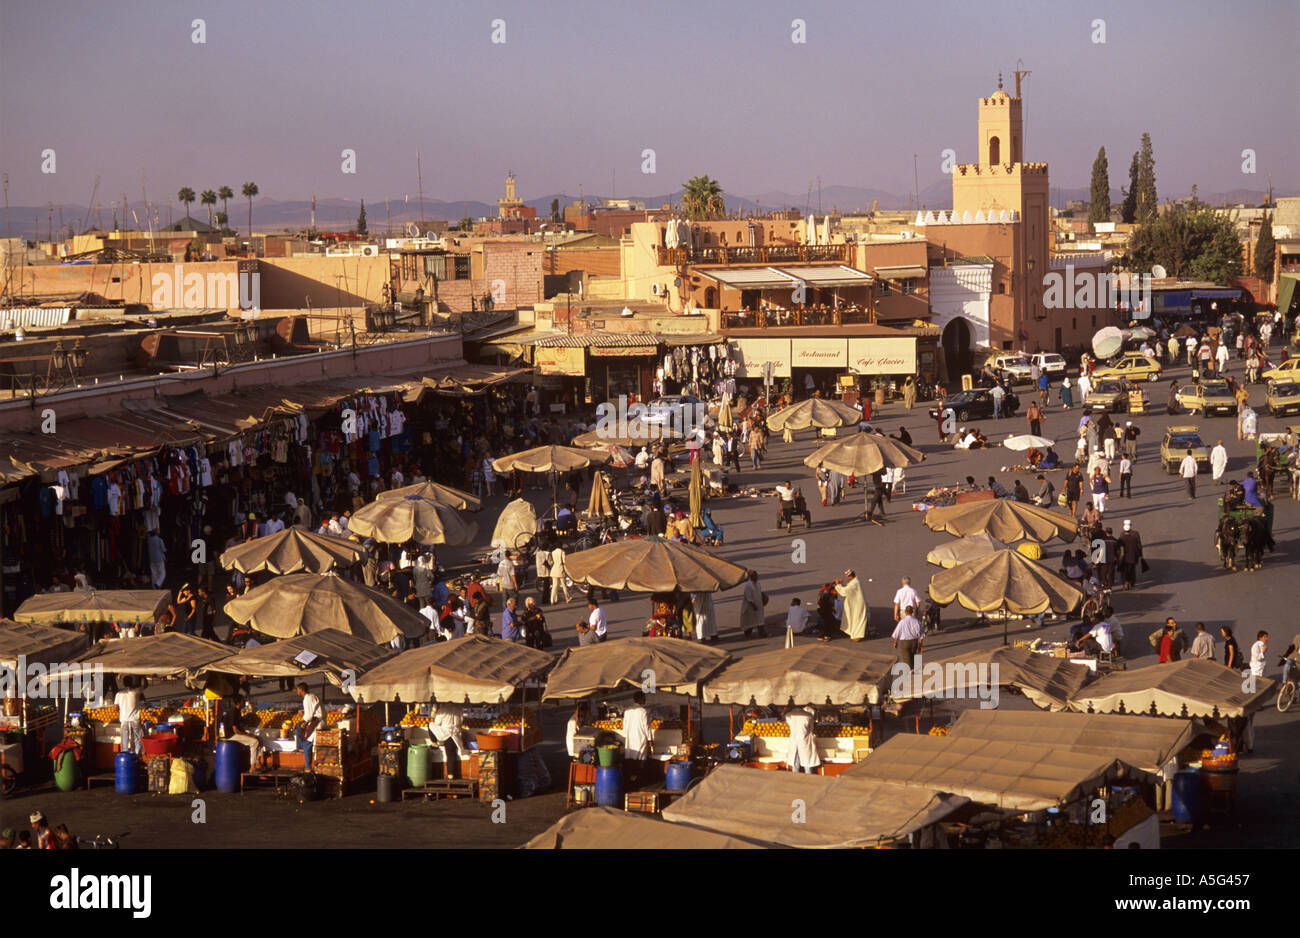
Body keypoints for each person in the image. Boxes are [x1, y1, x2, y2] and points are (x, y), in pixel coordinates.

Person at [221, 692, 264, 773]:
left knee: (259, 739)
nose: (244, 702)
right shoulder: (233, 712)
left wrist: (250, 734)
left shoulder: (238, 711)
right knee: (254, 742)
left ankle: (257, 762)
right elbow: (235, 731)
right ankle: (252, 766)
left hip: (236, 733)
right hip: (231, 735)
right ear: (240, 702)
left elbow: (240, 727)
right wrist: (248, 735)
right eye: (243, 700)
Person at [429, 701, 466, 773]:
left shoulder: (443, 710)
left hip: (446, 734)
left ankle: (434, 743)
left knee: (430, 725)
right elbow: (461, 721)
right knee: (451, 754)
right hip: (456, 735)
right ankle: (450, 774)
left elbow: (436, 723)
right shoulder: (459, 709)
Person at [294, 682, 323, 771]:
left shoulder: (308, 698)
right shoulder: (310, 697)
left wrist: (305, 722)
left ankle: (308, 767)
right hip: (313, 719)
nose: (297, 691)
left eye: (298, 690)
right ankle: (300, 747)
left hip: (316, 721)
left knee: (307, 742)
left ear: (301, 690)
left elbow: (309, 715)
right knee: (298, 726)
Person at [834, 569, 870, 641]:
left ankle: (857, 635)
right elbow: (847, 588)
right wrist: (841, 584)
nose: (847, 578)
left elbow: (844, 592)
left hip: (857, 606)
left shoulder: (854, 583)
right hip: (855, 605)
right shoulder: (854, 581)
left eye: (847, 577)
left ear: (850, 576)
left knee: (857, 620)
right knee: (854, 619)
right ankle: (854, 634)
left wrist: (838, 584)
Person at [784, 706, 821, 774]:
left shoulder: (788, 715)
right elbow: (811, 729)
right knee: (807, 763)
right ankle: (808, 780)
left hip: (794, 741)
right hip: (805, 741)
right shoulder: (808, 716)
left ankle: (795, 780)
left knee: (795, 763)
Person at [114, 675, 144, 756]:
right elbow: (145, 686)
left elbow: (115, 708)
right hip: (135, 719)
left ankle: (125, 754)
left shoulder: (119, 694)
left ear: (123, 683)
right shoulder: (136, 692)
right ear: (132, 683)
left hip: (124, 719)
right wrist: (143, 676)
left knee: (125, 739)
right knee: (137, 738)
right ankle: (137, 754)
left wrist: (123, 706)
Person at [622, 691, 651, 764]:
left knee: (631, 757)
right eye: (644, 698)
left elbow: (625, 726)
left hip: (630, 737)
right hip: (640, 737)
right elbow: (646, 726)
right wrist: (649, 739)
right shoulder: (643, 711)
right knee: (641, 758)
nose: (645, 700)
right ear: (640, 699)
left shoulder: (627, 711)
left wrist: (626, 736)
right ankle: (640, 773)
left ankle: (632, 773)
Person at [1116, 520, 1144, 589]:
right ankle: (1132, 582)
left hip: (1124, 557)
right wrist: (1140, 555)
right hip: (1133, 556)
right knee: (1132, 569)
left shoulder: (1122, 535)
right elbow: (1139, 545)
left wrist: (1118, 557)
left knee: (1124, 570)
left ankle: (1125, 582)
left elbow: (1119, 548)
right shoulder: (1135, 534)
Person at [739, 570, 766, 638]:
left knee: (760, 620)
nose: (756, 576)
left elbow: (760, 591)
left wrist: (764, 597)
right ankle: (747, 634)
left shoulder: (758, 583)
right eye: (754, 575)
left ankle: (762, 634)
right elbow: (748, 597)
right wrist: (753, 605)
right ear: (751, 577)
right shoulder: (748, 585)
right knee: (749, 621)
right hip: (750, 606)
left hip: (758, 604)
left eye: (756, 575)